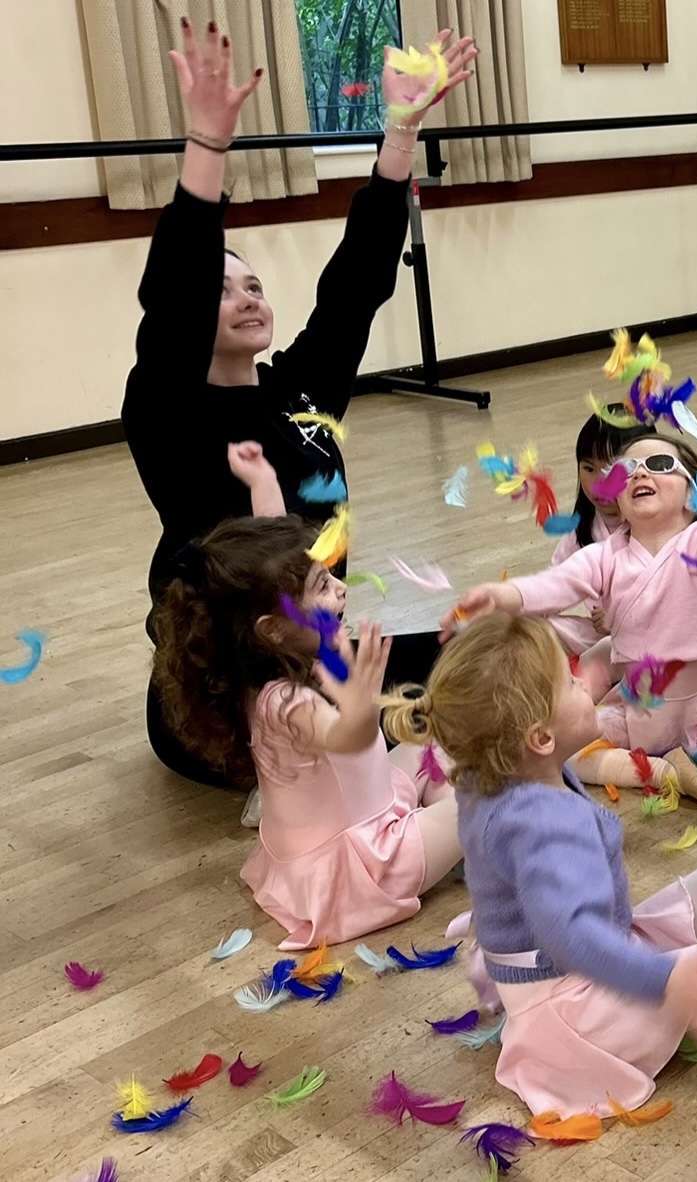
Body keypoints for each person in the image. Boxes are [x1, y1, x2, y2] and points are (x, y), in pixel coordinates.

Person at [123, 18, 476, 786]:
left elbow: (356, 287)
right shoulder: (166, 411)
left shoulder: (297, 392)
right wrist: (208, 148)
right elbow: (173, 301)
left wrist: (400, 132)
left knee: (484, 654)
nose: (246, 296)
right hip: (225, 697)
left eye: (252, 283)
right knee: (377, 738)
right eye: (222, 289)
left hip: (316, 656)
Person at [386, 612, 697, 1118]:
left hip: (588, 961)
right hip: (584, 1009)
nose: (585, 681)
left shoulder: (498, 773)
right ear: (540, 738)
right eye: (569, 682)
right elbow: (572, 938)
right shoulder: (542, 825)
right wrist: (670, 983)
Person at [445, 436, 697, 852]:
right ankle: (658, 772)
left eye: (658, 464)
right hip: (639, 714)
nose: (639, 474)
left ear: (692, 494)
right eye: (627, 470)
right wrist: (504, 596)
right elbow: (556, 584)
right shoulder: (604, 557)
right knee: (553, 745)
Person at [151, 515, 461, 949]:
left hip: (357, 814)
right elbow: (346, 739)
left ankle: (449, 826)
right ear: (272, 628)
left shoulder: (252, 675)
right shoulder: (288, 702)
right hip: (367, 867)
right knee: (487, 798)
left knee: (433, 740)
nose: (341, 589)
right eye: (322, 585)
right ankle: (463, 827)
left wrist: (263, 485)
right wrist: (361, 706)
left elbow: (264, 547)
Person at [544, 411, 658, 700]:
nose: (598, 482)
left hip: (656, 647)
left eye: (612, 471)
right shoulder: (581, 531)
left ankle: (578, 695)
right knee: (536, 630)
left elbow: (673, 602)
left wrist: (620, 616)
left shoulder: (660, 525)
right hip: (602, 641)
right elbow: (554, 586)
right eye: (589, 468)